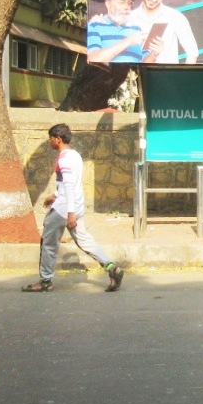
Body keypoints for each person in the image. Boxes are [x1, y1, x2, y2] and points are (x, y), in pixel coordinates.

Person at [23, 124, 123, 293]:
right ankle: (111, 267)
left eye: (51, 139)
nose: (49, 142)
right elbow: (67, 183)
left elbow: (69, 186)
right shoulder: (75, 155)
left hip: (64, 210)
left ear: (58, 139)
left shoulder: (64, 159)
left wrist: (70, 214)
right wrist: (54, 194)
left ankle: (45, 281)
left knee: (48, 244)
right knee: (84, 240)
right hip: (76, 205)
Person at [126, 0, 199, 64]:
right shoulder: (129, 18)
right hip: (135, 76)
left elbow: (192, 52)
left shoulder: (175, 17)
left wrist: (185, 76)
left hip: (168, 75)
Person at [86, 0, 160, 65]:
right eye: (121, 2)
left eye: (129, 3)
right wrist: (128, 41)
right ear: (108, 4)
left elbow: (145, 63)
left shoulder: (136, 30)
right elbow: (93, 59)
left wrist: (154, 53)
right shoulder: (95, 26)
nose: (126, 7)